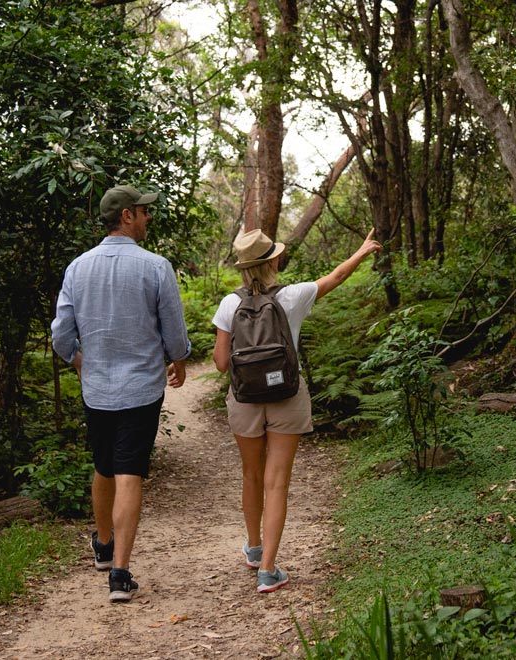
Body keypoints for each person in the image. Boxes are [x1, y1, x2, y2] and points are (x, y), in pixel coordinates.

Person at [212, 227, 379, 593]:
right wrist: (363, 250)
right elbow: (338, 275)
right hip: (287, 394)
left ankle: (254, 548)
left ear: (243, 267)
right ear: (274, 260)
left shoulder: (229, 304)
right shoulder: (294, 295)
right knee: (277, 482)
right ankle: (268, 570)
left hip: (244, 400)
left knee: (251, 475)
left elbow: (222, 363)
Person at [50, 184, 189, 604]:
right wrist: (178, 358)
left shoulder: (77, 268)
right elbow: (174, 329)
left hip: (97, 389)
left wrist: (77, 359)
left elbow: (60, 334)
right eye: (144, 212)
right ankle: (121, 575)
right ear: (127, 216)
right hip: (142, 388)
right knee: (130, 471)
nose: (149, 218)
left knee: (104, 466)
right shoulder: (155, 267)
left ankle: (104, 548)